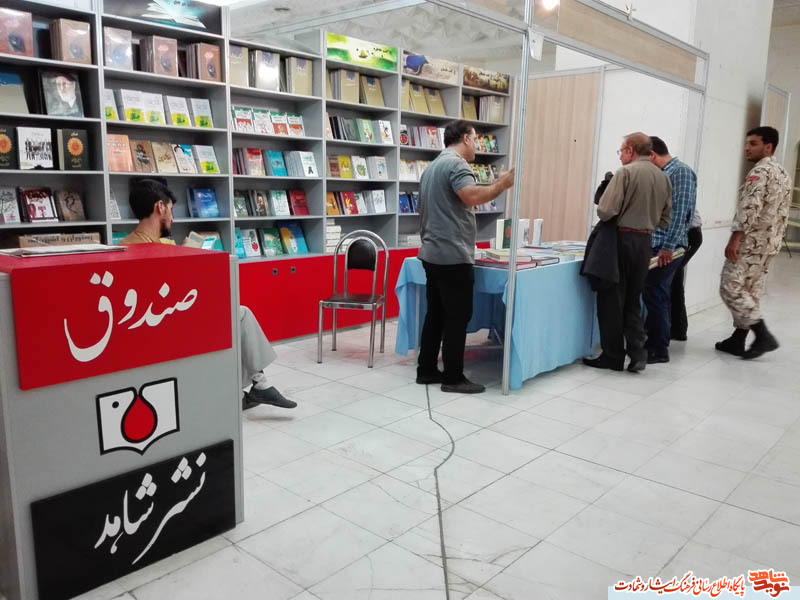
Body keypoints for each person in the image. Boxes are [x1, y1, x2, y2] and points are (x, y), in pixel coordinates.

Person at [120, 178, 296, 409]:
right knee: (238, 316)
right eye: (171, 211)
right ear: (160, 208)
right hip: (164, 324)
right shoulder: (137, 249)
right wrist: (183, 260)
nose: (172, 218)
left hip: (172, 316)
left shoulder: (141, 245)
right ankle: (257, 385)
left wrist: (185, 257)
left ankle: (257, 385)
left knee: (238, 314)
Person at [417, 120, 515, 394]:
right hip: (452, 255)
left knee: (435, 314)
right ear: (465, 139)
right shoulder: (457, 165)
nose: (477, 146)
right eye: (476, 139)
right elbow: (471, 196)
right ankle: (453, 377)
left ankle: (426, 369)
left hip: (432, 252)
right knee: (456, 317)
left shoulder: (432, 167)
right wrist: (501, 184)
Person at [583, 132, 671, 373]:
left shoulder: (625, 173)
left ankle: (612, 356)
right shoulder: (663, 177)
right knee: (633, 300)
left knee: (611, 299)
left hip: (619, 241)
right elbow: (665, 220)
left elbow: (605, 211)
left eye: (621, 150)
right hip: (645, 242)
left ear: (631, 150)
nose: (620, 155)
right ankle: (638, 352)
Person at [716, 126, 792, 359]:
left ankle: (763, 335)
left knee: (730, 287)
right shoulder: (783, 173)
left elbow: (749, 208)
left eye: (753, 143)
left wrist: (735, 239)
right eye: (747, 143)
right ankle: (738, 339)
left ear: (768, 147)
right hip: (770, 244)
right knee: (750, 289)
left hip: (751, 243)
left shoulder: (759, 172)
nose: (747, 148)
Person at [643, 136, 697, 363]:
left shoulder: (680, 172)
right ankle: (652, 342)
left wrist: (668, 247)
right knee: (653, 293)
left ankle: (659, 348)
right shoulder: (664, 173)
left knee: (657, 294)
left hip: (668, 247)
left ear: (652, 155)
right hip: (657, 244)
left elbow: (680, 213)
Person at [670, 208, 703, 341]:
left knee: (674, 281)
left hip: (690, 234)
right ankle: (677, 328)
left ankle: (679, 329)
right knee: (673, 280)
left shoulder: (680, 194)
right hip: (688, 233)